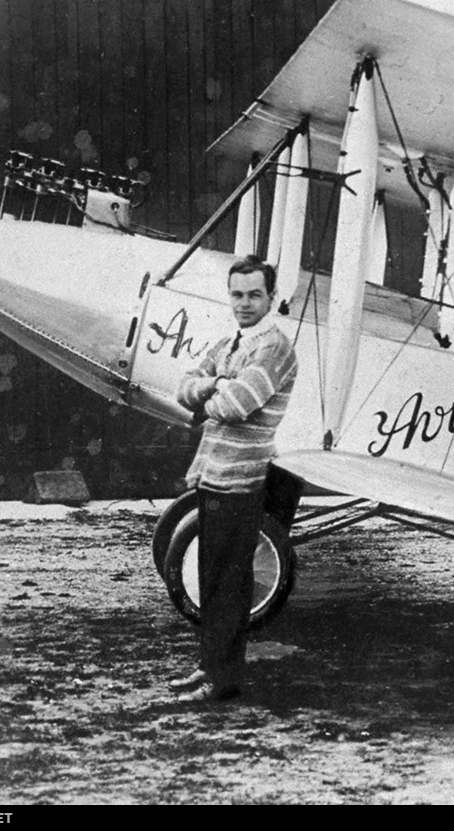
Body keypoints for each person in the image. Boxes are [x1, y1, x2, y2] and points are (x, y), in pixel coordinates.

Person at [170, 255, 298, 703]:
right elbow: (183, 387)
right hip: (212, 475)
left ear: (271, 298)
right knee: (210, 578)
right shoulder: (230, 344)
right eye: (237, 294)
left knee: (228, 584)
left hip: (242, 478)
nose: (244, 303)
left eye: (254, 295)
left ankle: (222, 680)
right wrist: (213, 387)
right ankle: (209, 667)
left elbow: (238, 403)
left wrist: (212, 391)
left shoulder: (274, 347)